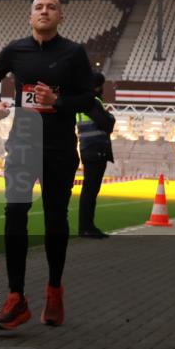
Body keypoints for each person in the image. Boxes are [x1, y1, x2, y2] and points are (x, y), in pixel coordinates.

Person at [0, 0, 94, 330]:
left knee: (54, 218)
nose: (45, 11)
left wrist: (58, 101)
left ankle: (54, 290)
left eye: (51, 7)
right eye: (38, 7)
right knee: (14, 212)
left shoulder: (73, 53)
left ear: (61, 16)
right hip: (22, 145)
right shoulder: (16, 50)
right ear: (30, 16)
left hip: (59, 149)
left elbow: (89, 98)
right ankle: (16, 297)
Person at [76, 72, 115, 238]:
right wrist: (110, 116)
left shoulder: (84, 100)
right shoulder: (91, 101)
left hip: (89, 149)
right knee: (90, 191)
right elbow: (107, 123)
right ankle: (86, 227)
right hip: (95, 150)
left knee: (90, 190)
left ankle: (87, 226)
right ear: (98, 86)